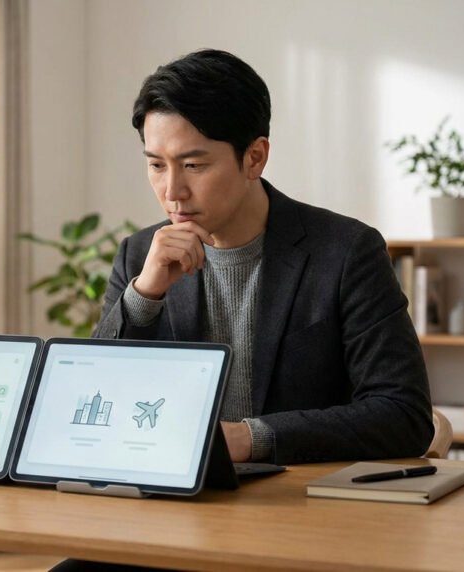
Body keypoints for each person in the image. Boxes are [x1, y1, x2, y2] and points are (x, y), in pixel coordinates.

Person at [51, 48, 433, 572]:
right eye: (156, 165)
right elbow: (89, 404)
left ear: (255, 157)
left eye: (194, 164)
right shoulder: (140, 255)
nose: (172, 191)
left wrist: (249, 438)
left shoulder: (345, 252)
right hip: (165, 521)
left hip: (301, 523)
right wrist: (143, 296)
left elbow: (403, 414)